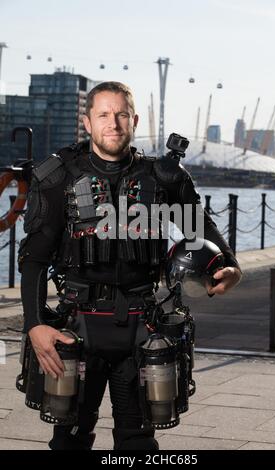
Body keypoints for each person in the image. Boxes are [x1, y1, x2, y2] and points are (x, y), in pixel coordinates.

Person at [18, 81, 242, 450]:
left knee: (138, 443)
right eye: (103, 114)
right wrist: (34, 325)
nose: (114, 123)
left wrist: (230, 266)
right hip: (77, 326)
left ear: (134, 120)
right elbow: (34, 259)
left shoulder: (164, 178)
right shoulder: (58, 177)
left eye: (121, 114)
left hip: (144, 327)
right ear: (87, 122)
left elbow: (203, 228)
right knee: (69, 440)